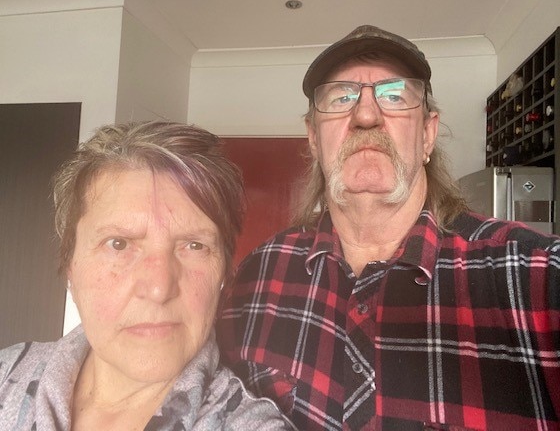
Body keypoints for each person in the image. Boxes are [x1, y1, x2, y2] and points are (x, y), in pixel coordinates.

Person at [217, 25, 560, 430]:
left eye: (394, 95)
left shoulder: (538, 277)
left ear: (428, 134)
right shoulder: (257, 273)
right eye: (341, 97)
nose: (365, 115)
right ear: (312, 137)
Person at [0, 121, 296, 430]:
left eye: (194, 245)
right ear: (70, 266)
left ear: (223, 274)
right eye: (118, 244)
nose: (158, 286)